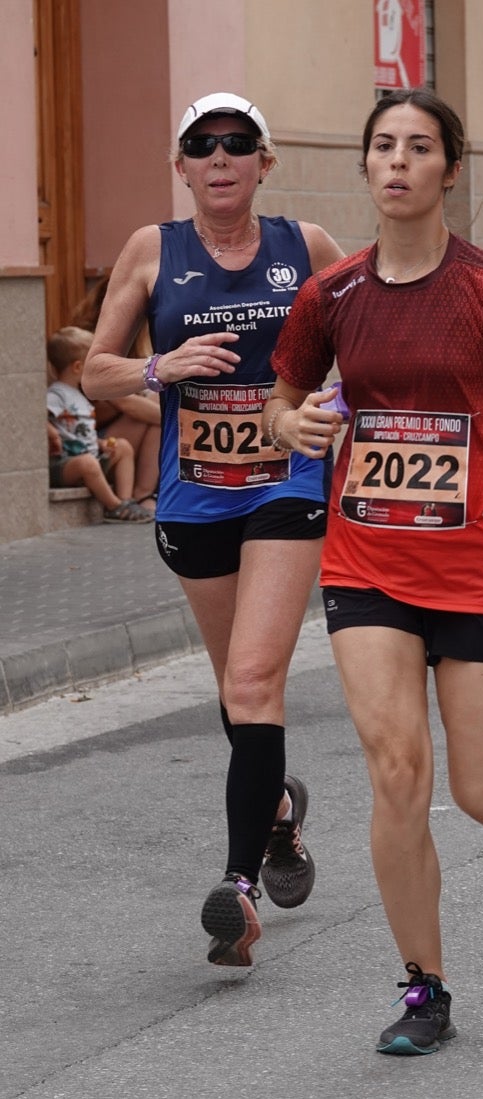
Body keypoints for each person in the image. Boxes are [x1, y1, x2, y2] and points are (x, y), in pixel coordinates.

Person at [264, 87, 483, 1055]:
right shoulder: (332, 296)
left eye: (419, 147)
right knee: (397, 769)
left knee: (480, 793)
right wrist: (297, 424)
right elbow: (284, 405)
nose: (399, 162)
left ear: (450, 168)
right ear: (366, 167)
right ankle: (425, 985)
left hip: (480, 565)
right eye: (383, 147)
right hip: (368, 560)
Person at [82, 92, 345, 967]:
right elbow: (94, 372)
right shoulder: (151, 250)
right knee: (238, 689)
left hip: (286, 481)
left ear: (264, 162)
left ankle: (236, 889)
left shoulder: (301, 248)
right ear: (182, 164)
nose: (221, 157)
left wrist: (332, 405)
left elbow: (367, 325)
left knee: (257, 675)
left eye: (239, 144)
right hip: (194, 496)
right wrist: (161, 366)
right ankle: (276, 817)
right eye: (204, 144)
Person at [71, 275, 161, 511]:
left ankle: (144, 493)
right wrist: (176, 417)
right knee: (155, 415)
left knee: (156, 400)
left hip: (118, 438)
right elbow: (125, 403)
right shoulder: (82, 343)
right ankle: (141, 495)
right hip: (91, 441)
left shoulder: (137, 340)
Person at [46, 326, 153, 523]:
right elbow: (39, 419)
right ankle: (114, 506)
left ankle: (126, 500)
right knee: (87, 463)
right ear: (78, 367)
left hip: (90, 459)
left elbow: (78, 430)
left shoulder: (80, 396)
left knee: (122, 447)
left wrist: (100, 443)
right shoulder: (57, 393)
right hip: (65, 464)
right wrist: (51, 432)